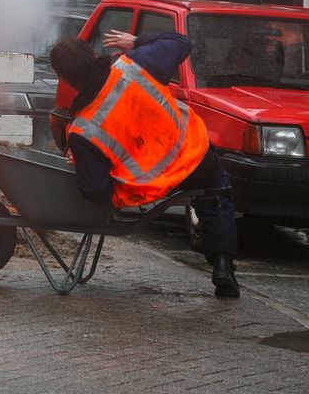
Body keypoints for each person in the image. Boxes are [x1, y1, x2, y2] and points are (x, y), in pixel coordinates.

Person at [49, 29, 240, 298]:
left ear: (66, 79)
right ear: (92, 54)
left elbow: (96, 191)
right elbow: (182, 42)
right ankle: (222, 264)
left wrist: (83, 161)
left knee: (211, 189)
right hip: (192, 156)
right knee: (216, 192)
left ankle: (222, 262)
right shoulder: (136, 64)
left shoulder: (82, 130)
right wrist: (136, 41)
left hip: (150, 185)